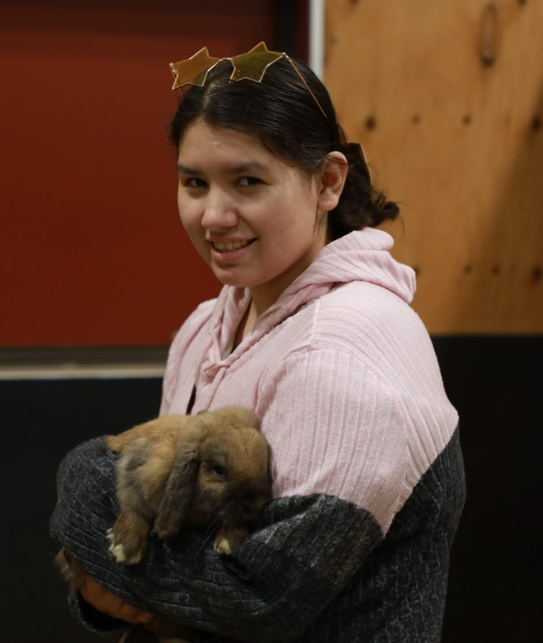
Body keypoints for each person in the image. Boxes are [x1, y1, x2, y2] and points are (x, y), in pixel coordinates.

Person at [50, 42, 465, 643]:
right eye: (194, 182)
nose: (213, 215)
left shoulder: (341, 354)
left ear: (327, 181)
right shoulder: (205, 328)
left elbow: (259, 598)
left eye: (247, 181)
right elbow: (168, 553)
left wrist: (84, 480)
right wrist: (117, 582)